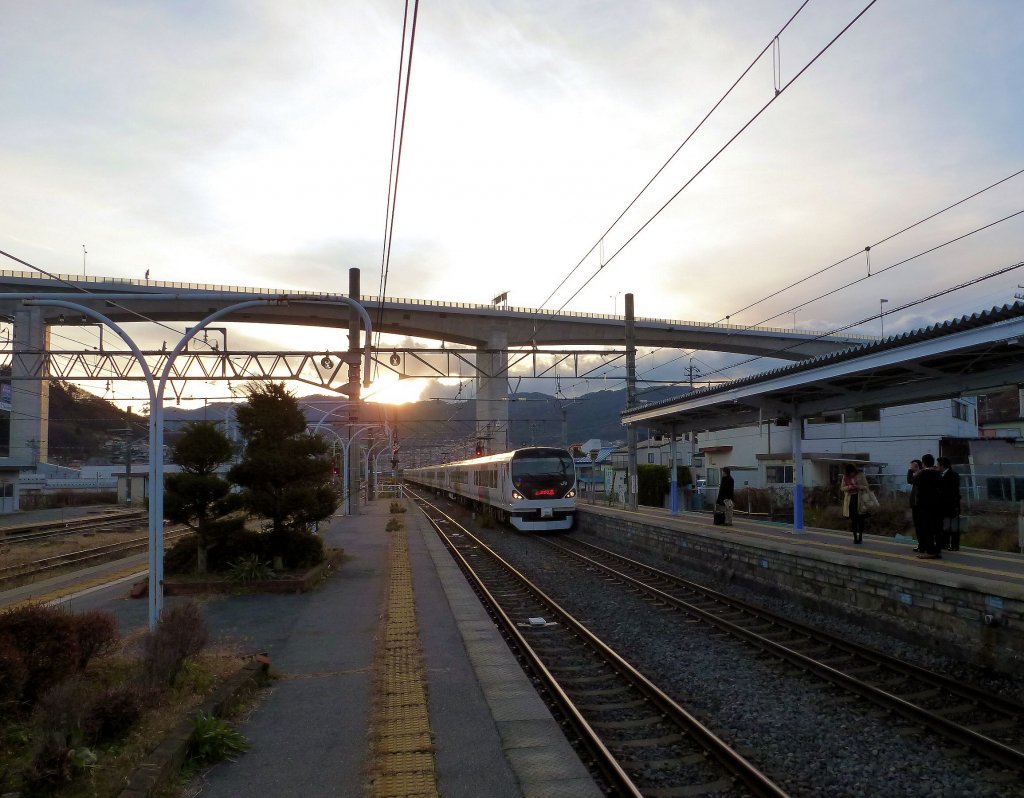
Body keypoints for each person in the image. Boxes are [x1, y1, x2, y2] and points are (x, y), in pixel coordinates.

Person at [913, 454, 943, 559]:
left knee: (926, 528)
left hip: (924, 505)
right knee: (937, 527)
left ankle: (930, 550)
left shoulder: (921, 474)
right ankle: (938, 549)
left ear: (923, 463)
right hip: (937, 504)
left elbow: (913, 481)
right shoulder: (938, 474)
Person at [937, 456, 961, 550]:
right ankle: (945, 543)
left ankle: (954, 545)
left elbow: (954, 491)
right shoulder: (941, 475)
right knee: (945, 525)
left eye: (938, 464)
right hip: (943, 505)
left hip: (951, 504)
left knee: (953, 526)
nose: (937, 466)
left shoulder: (953, 475)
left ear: (942, 465)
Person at [840, 464, 865, 544]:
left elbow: (865, 486)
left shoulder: (860, 476)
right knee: (853, 520)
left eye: (853, 472)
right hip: (850, 500)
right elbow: (842, 488)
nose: (852, 474)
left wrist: (858, 486)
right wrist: (849, 487)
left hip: (860, 500)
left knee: (861, 519)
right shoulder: (845, 477)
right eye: (850, 473)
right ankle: (855, 538)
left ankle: (860, 537)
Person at [907, 459, 923, 551]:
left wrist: (910, 470)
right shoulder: (919, 474)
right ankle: (921, 544)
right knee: (919, 525)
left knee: (919, 525)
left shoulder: (919, 474)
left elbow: (909, 480)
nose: (911, 468)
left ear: (916, 465)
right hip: (917, 503)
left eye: (912, 466)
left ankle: (921, 545)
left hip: (918, 504)